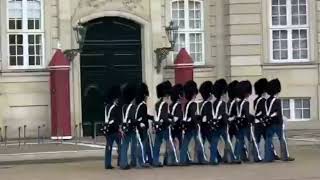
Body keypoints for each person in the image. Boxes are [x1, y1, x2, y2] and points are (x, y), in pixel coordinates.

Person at [264, 79, 295, 162]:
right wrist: (281, 123)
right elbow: (278, 113)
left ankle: (267, 157)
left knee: (268, 140)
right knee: (282, 139)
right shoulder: (277, 101)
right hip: (277, 123)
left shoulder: (267, 101)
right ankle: (284, 156)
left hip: (269, 123)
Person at [180, 80, 207, 165]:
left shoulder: (188, 103)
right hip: (192, 125)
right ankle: (201, 159)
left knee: (185, 143)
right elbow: (193, 115)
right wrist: (198, 123)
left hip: (186, 124)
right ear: (193, 93)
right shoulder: (193, 104)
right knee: (199, 142)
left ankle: (182, 160)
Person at [152, 81, 179, 167]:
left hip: (158, 125)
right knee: (170, 143)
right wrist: (172, 121)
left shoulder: (157, 103)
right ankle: (173, 160)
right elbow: (164, 117)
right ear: (167, 95)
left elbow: (159, 115)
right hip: (164, 127)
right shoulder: (164, 104)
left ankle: (155, 161)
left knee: (157, 145)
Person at [234, 81, 261, 162]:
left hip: (239, 123)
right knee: (252, 140)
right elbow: (247, 114)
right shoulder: (246, 102)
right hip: (246, 124)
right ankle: (255, 157)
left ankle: (236, 157)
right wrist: (253, 119)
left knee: (240, 141)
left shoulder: (238, 102)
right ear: (246, 92)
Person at [253, 78, 280, 161]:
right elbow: (263, 112)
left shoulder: (256, 100)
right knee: (268, 139)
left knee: (257, 141)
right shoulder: (263, 100)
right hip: (261, 123)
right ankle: (271, 155)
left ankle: (259, 156)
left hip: (257, 122)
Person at [119, 83, 139, 170]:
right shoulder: (133, 107)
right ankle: (133, 161)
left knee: (124, 146)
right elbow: (133, 118)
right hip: (132, 128)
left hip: (124, 127)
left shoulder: (123, 106)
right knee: (133, 145)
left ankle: (123, 163)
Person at [102, 85, 122, 169]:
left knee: (108, 147)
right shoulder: (116, 108)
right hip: (115, 130)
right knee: (121, 146)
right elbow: (116, 119)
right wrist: (120, 128)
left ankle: (107, 164)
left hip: (108, 130)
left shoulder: (107, 107)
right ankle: (120, 161)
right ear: (115, 99)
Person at [135, 83, 154, 166]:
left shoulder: (139, 105)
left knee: (147, 144)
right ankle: (142, 161)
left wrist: (152, 118)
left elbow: (144, 116)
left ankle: (149, 159)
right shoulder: (143, 105)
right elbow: (143, 117)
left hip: (141, 126)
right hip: (143, 127)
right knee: (143, 145)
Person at [198, 81, 214, 164]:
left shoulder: (201, 103)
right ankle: (213, 158)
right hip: (207, 125)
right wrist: (211, 124)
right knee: (213, 142)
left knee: (202, 142)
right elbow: (208, 116)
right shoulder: (208, 104)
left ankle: (201, 158)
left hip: (202, 125)